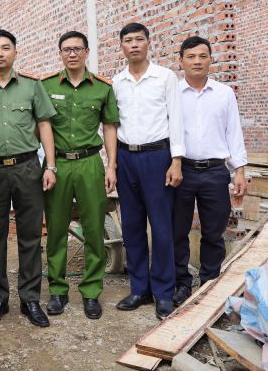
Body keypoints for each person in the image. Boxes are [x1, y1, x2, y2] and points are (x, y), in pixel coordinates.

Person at [0, 29, 57, 328]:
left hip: (28, 167)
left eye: (6, 48)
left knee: (30, 236)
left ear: (15, 52)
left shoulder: (32, 86)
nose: (0, 53)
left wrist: (51, 166)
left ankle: (30, 298)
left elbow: (44, 125)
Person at [40, 31, 119, 320]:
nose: (71, 54)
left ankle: (90, 292)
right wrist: (48, 166)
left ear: (86, 52)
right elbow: (42, 125)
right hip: (57, 164)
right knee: (57, 230)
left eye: (77, 49)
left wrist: (111, 166)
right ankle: (58, 291)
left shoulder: (101, 88)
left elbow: (110, 126)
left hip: (89, 164)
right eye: (66, 50)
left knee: (94, 228)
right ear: (60, 53)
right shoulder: (46, 86)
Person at [112, 23, 184, 320]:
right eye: (128, 41)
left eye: (139, 39)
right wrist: (113, 163)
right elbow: (113, 126)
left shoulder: (165, 77)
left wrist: (176, 160)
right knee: (131, 226)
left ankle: (163, 292)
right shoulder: (117, 82)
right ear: (122, 47)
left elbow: (176, 119)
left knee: (162, 226)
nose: (134, 45)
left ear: (148, 43)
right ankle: (139, 288)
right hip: (127, 157)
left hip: (158, 157)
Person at [173, 36, 247, 306]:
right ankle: (181, 283)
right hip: (182, 171)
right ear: (180, 61)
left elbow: (234, 132)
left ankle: (208, 283)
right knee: (177, 230)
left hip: (216, 171)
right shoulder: (173, 94)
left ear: (210, 60)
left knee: (214, 232)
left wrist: (239, 170)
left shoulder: (224, 93)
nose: (197, 61)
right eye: (191, 56)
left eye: (203, 56)